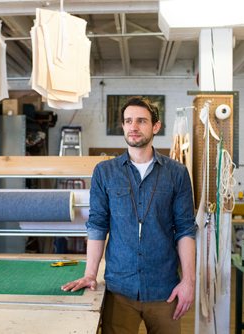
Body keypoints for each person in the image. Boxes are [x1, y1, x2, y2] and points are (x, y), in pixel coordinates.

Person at [61, 96, 196, 334]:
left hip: (164, 290)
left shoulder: (177, 173)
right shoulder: (105, 172)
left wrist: (188, 281)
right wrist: (90, 274)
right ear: (123, 126)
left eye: (141, 121)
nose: (133, 126)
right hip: (119, 289)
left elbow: (185, 229)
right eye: (128, 121)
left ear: (155, 126)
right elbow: (97, 225)